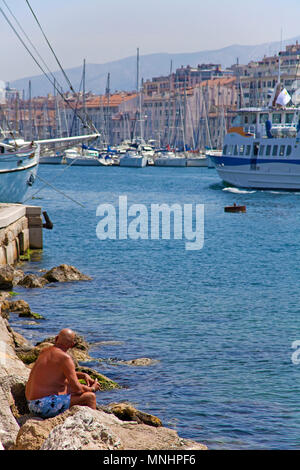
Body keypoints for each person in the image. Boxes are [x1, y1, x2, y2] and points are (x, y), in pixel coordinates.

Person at [25, 328, 101, 419]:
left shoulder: (44, 351)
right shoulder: (65, 358)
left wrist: (83, 375)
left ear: (56, 338)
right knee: (90, 397)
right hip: (42, 407)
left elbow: (58, 373)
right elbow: (78, 390)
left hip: (31, 404)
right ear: (72, 345)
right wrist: (92, 388)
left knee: (66, 386)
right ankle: (92, 426)